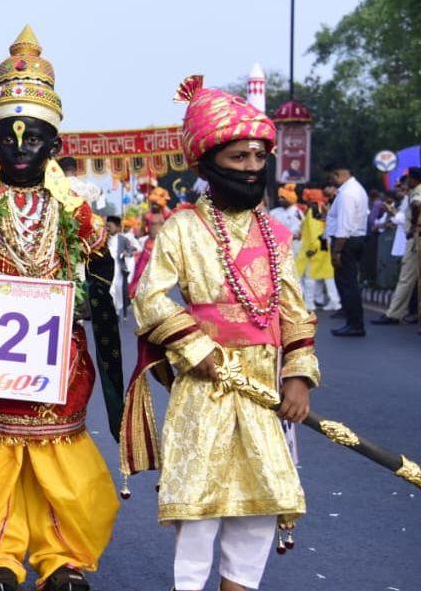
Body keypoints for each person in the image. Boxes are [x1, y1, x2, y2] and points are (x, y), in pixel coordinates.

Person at [0, 26, 118, 591]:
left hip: (60, 354)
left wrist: (84, 303)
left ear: (54, 146)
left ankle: (61, 556)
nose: (20, 149)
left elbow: (102, 266)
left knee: (57, 453)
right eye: (9, 140)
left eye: (33, 139)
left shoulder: (74, 209)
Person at [121, 75, 319, 591]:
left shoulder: (276, 234)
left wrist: (298, 376)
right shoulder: (182, 229)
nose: (253, 168)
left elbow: (296, 311)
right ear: (208, 163)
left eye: (259, 157)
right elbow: (150, 297)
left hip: (262, 387)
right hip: (205, 384)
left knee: (258, 503)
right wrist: (194, 345)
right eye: (239, 158)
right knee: (201, 506)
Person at [375, 168, 421, 326]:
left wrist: (414, 224)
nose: (407, 182)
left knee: (406, 278)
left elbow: (416, 204)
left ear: (414, 179)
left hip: (418, 237)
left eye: (408, 179)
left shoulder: (416, 192)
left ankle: (394, 314)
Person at [323, 161, 369, 336]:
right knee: (348, 282)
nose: (331, 181)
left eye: (331, 177)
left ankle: (355, 324)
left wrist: (337, 251)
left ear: (338, 174)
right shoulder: (353, 189)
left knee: (348, 283)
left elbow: (344, 226)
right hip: (351, 240)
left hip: (346, 242)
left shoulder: (348, 194)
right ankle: (352, 321)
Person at [269, 184, 304, 269]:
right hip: (277, 245)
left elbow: (297, 229)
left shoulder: (297, 212)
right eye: (280, 197)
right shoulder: (274, 212)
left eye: (283, 198)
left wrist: (285, 237)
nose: (280, 200)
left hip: (293, 245)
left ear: (290, 199)